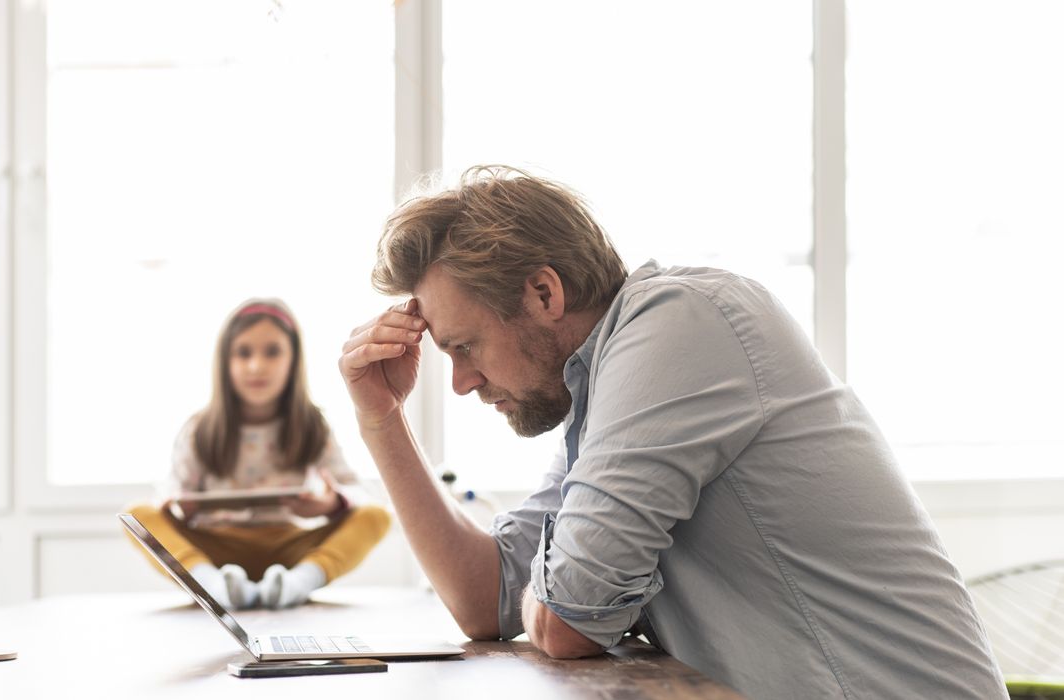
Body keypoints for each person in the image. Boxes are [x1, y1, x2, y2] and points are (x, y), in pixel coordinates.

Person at [338, 166, 1007, 698]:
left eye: (464, 346)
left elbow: (565, 623)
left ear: (544, 293)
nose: (458, 381)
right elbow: (485, 600)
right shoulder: (602, 393)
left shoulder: (680, 322)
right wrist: (381, 419)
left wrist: (564, 588)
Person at [126, 298, 390, 610]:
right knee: (138, 516)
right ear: (225, 361)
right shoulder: (200, 428)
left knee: (377, 516)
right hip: (215, 550)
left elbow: (357, 492)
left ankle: (297, 583)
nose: (256, 366)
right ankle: (212, 586)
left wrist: (330, 504)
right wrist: (183, 508)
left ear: (294, 359)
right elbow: (170, 496)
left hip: (288, 550)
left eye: (272, 352)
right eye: (243, 353)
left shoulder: (311, 425)